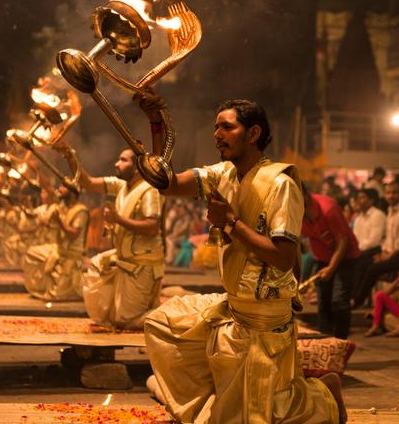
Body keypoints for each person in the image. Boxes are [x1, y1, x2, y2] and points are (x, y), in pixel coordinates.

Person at [139, 95, 344, 423]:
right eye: (216, 127)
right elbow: (168, 184)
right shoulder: (221, 174)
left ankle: (323, 394)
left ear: (253, 134)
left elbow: (282, 256)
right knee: (161, 324)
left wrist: (231, 223)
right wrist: (157, 125)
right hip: (234, 307)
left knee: (268, 414)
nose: (216, 134)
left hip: (264, 317)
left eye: (227, 127)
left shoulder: (282, 183)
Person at [57, 144, 165, 330]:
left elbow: (152, 227)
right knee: (97, 266)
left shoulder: (150, 190)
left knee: (127, 321)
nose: (116, 164)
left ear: (138, 168)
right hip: (124, 260)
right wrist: (69, 155)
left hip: (143, 264)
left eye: (123, 160)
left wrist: (117, 219)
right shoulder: (121, 186)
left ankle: (169, 316)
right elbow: (87, 182)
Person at [301, 188, 361, 339]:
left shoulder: (328, 209)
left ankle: (340, 344)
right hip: (322, 258)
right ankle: (325, 344)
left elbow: (343, 241)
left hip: (346, 257)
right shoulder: (294, 210)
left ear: (304, 195)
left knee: (339, 302)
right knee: (324, 303)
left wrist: (332, 267)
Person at [352, 181, 399, 308]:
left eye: (394, 193)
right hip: (392, 253)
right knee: (363, 262)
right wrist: (383, 253)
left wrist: (387, 257)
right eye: (388, 193)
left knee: (373, 268)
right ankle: (353, 298)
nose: (391, 196)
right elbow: (388, 239)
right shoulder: (390, 211)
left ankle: (357, 301)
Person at [23, 185, 88, 301]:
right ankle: (40, 287)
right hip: (58, 249)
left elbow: (73, 235)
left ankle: (61, 286)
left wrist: (59, 222)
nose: (60, 189)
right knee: (31, 253)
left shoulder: (81, 211)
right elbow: (43, 222)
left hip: (70, 254)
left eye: (64, 188)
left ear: (72, 193)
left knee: (57, 294)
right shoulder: (61, 207)